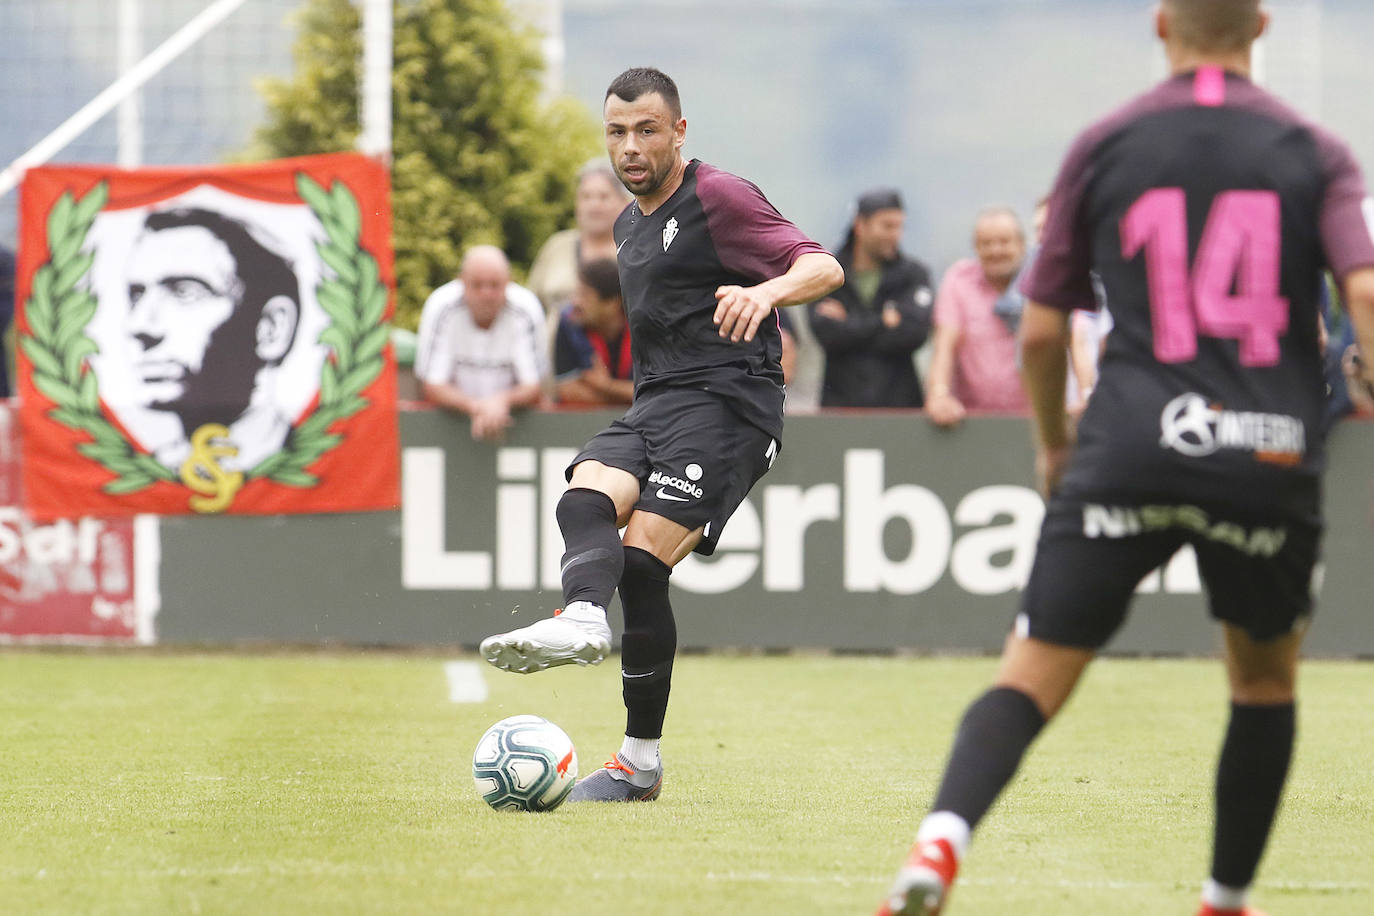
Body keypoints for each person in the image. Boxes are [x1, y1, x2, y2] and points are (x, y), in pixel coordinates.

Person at [877, 3, 1374, 915]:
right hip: (1263, 452)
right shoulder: (1317, 150)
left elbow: (1039, 330)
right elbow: (1367, 291)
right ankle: (1224, 899)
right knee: (1262, 683)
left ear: (1161, 25)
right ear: (1261, 23)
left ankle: (938, 847)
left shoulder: (1105, 143)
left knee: (1029, 673)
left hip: (1129, 446)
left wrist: (1054, 447)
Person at [479, 67, 842, 802]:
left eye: (647, 130)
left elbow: (823, 265)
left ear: (679, 131)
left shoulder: (718, 196)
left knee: (642, 565)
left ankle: (638, 761)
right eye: (617, 132)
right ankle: (582, 617)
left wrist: (765, 290)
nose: (631, 146)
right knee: (583, 496)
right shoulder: (626, 225)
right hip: (657, 405)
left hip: (731, 405)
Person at [121, 207, 301, 472]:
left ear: (271, 329)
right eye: (137, 296)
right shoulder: (153, 471)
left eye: (184, 292)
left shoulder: (320, 460)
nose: (138, 326)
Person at [808, 188, 934, 408]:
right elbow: (826, 334)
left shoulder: (914, 274)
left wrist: (849, 322)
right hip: (840, 410)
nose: (895, 234)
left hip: (901, 411)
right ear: (860, 225)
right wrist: (883, 322)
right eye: (887, 226)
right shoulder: (826, 272)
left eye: (899, 226)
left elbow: (915, 333)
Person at [414, 245, 547, 442]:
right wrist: (478, 407)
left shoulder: (526, 309)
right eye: (477, 285)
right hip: (449, 427)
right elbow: (432, 385)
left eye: (494, 285)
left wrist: (501, 401)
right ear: (461, 282)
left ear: (508, 282)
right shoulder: (440, 307)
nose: (486, 294)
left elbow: (534, 386)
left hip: (516, 429)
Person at [925, 207, 1031, 427]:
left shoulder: (1041, 282)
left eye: (1004, 242)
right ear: (975, 247)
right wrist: (939, 396)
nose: (996, 251)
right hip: (971, 423)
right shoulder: (959, 281)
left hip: (1033, 419)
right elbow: (944, 343)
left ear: (1022, 245)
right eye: (986, 243)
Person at [526, 159, 632, 314]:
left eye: (604, 197)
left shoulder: (635, 248)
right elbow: (531, 305)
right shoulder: (557, 246)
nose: (594, 205)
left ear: (625, 202)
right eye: (586, 196)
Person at [552, 257, 634, 407]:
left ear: (612, 304)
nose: (575, 302)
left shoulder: (642, 327)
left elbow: (658, 393)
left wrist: (607, 386)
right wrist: (626, 396)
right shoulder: (568, 322)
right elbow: (568, 391)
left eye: (585, 295)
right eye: (577, 293)